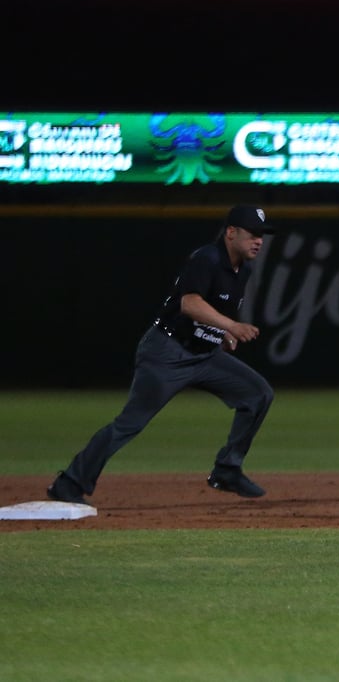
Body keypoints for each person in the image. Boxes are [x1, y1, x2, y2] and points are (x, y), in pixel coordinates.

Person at [46, 205, 277, 506]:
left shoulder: (242, 270)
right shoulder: (207, 258)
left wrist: (222, 334)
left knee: (258, 394)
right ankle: (68, 483)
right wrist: (232, 325)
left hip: (205, 356)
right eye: (252, 234)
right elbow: (190, 304)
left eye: (262, 235)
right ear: (231, 232)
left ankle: (227, 469)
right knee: (130, 423)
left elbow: (212, 311)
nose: (258, 241)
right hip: (167, 352)